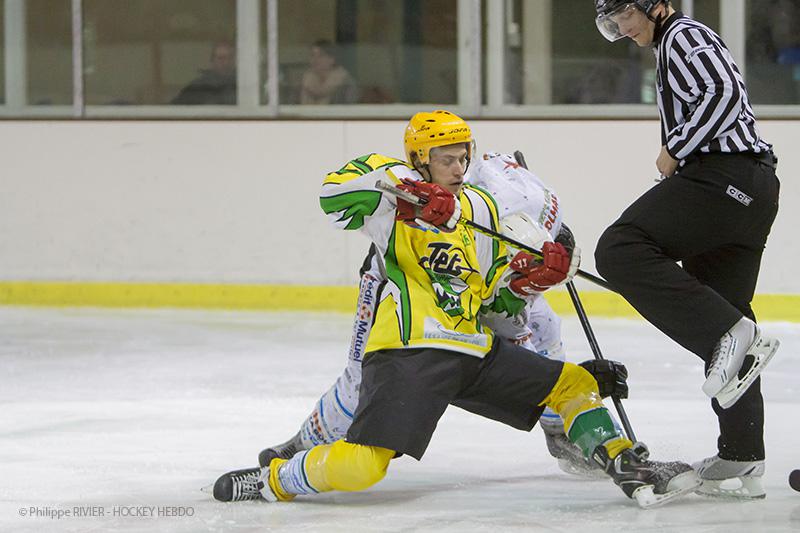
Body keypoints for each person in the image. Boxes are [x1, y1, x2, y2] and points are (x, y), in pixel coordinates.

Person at [212, 110, 700, 508]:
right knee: (362, 467)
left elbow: (490, 298)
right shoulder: (392, 198)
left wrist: (529, 280)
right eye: (445, 159)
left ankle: (627, 465)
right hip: (410, 348)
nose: (458, 168)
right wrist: (411, 193)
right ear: (419, 160)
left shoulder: (481, 209)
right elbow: (332, 194)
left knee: (574, 382)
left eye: (463, 157)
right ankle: (274, 479)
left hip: (474, 348)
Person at [218, 149, 611, 482]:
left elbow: (509, 308)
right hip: (404, 275)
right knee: (361, 378)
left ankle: (560, 432)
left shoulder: (526, 198)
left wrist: (540, 274)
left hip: (480, 276)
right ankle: (305, 443)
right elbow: (358, 187)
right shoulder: (462, 203)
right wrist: (411, 193)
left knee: (544, 326)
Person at [592, 0, 781, 499]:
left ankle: (730, 332)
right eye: (612, 24)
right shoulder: (672, 43)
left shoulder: (681, 35)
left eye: (623, 16)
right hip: (750, 190)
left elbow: (724, 92)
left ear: (653, 5)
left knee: (619, 248)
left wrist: (676, 147)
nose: (621, 29)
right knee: (724, 309)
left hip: (724, 178)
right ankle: (742, 452)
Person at [172, 41, 236, 105]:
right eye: (220, 58)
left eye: (229, 58)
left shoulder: (239, 84)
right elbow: (174, 107)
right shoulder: (198, 86)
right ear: (212, 61)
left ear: (233, 61)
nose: (226, 62)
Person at [299, 40, 358, 105]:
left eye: (321, 55)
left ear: (332, 59)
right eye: (312, 55)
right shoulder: (306, 81)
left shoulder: (345, 83)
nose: (315, 59)